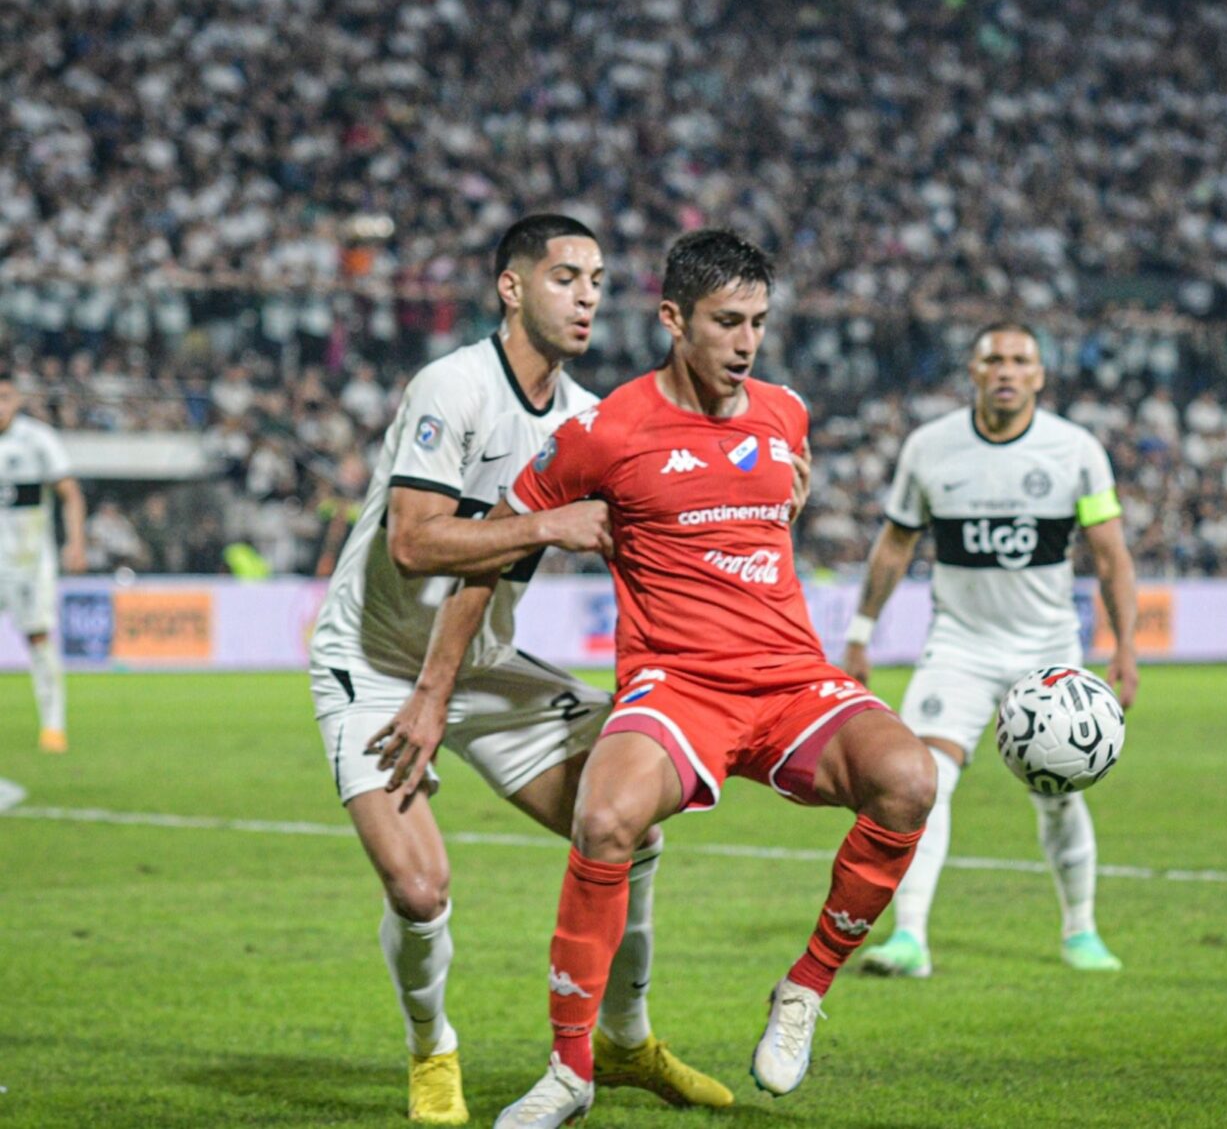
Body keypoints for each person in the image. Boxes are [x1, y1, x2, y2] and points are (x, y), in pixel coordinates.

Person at [460, 230, 935, 1127]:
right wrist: (517, 577)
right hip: (678, 687)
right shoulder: (605, 431)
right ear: (675, 319)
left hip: (793, 679)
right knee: (604, 817)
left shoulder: (785, 411)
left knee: (910, 778)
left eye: (758, 321)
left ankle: (801, 990)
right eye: (727, 322)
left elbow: (783, 483)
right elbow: (505, 522)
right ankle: (569, 1069)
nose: (747, 341)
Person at [308, 216, 729, 1125]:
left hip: (482, 664)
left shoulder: (586, 422)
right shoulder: (451, 386)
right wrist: (543, 525)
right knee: (420, 891)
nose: (587, 295)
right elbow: (418, 544)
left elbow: (656, 534)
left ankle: (623, 1039)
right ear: (511, 287)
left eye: (598, 279)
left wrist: (762, 493)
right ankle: (432, 1050)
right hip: (375, 666)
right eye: (566, 276)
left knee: (624, 823)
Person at [845, 323, 1140, 979]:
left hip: (1048, 654)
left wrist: (1124, 646)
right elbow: (895, 544)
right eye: (994, 359)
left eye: (1020, 360)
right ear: (973, 372)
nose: (1007, 370)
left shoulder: (1076, 451)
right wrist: (862, 629)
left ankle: (1081, 930)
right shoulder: (930, 448)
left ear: (1039, 375)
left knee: (1059, 795)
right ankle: (910, 938)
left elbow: (1110, 554)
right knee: (925, 780)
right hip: (960, 647)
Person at [0, 368, 87, 753]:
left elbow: (70, 493)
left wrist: (76, 544)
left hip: (29, 563)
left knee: (38, 637)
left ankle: (53, 727)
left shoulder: (37, 440)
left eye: (4, 397)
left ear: (18, 400)